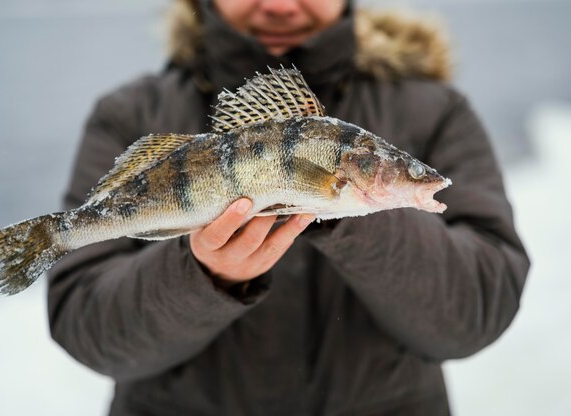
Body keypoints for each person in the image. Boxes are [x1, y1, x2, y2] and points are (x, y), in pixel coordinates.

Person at [48, 0, 530, 414]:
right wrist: (201, 275)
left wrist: (348, 215)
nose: (280, 5)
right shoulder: (129, 114)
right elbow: (84, 324)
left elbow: (478, 312)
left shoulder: (438, 112)